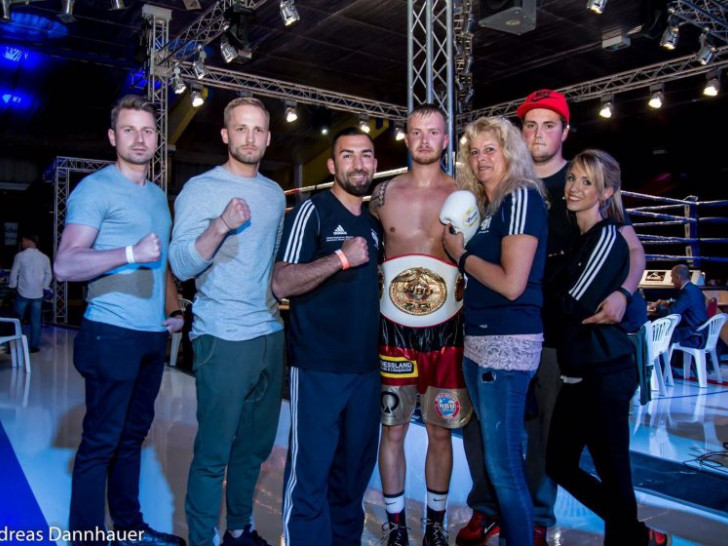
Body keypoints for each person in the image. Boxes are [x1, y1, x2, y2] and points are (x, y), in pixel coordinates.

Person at [457, 89, 646, 546]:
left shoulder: (580, 178)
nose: (539, 133)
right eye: (530, 125)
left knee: (542, 436)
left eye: (549, 124)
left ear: (564, 131)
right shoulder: (497, 189)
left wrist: (623, 291)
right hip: (516, 324)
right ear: (519, 136)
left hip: (557, 333)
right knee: (487, 431)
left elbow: (632, 245)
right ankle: (491, 509)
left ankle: (534, 517)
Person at [53, 95, 185, 546]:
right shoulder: (95, 189)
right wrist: (129, 254)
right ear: (113, 137)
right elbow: (65, 265)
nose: (140, 138)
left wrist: (171, 312)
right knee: (100, 444)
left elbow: (161, 261)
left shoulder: (155, 196)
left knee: (132, 440)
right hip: (110, 333)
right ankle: (86, 538)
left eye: (147, 130)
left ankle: (130, 528)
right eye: (129, 130)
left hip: (149, 337)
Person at [169, 96, 285, 546]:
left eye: (258, 130)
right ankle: (203, 539)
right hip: (222, 334)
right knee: (214, 453)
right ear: (225, 134)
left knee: (255, 450)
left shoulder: (275, 194)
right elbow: (180, 265)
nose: (250, 138)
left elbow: (270, 262)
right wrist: (219, 225)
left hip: (269, 334)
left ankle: (239, 528)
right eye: (241, 129)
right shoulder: (201, 189)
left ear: (268, 137)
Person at [545, 149, 670, 546]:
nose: (575, 188)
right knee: (560, 463)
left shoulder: (604, 236)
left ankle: (629, 536)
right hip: (581, 372)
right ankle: (634, 532)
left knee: (613, 469)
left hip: (605, 373)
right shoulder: (581, 241)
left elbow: (572, 305)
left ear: (606, 192)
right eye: (572, 179)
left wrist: (522, 289)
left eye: (587, 182)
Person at [369, 103, 472, 546]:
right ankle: (396, 527)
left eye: (434, 132)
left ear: (446, 139)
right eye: (417, 132)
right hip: (393, 329)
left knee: (439, 430)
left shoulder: (467, 194)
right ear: (406, 139)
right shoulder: (382, 194)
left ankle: (434, 524)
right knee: (391, 427)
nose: (425, 140)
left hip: (448, 329)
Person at [442, 116, 548, 546]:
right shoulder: (489, 208)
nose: (482, 158)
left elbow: (510, 282)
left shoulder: (520, 196)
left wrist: (461, 256)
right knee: (496, 460)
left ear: (510, 151)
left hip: (505, 344)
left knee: (504, 467)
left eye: (492, 148)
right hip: (481, 343)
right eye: (475, 151)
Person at [274, 128, 382, 545]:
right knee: (311, 475)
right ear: (333, 166)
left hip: (366, 370)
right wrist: (339, 258)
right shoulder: (312, 211)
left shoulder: (372, 225)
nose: (359, 164)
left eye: (367, 155)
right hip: (318, 365)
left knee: (352, 478)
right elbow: (281, 283)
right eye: (348, 156)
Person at [9, 234, 52, 352]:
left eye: (22, 241)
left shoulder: (20, 256)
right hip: (38, 293)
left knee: (16, 320)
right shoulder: (44, 257)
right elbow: (49, 274)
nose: (22, 244)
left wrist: (12, 286)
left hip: (23, 292)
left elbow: (14, 273)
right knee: (36, 321)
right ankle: (34, 346)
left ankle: (14, 346)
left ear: (28, 241)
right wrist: (44, 286)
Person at [654, 264, 708, 347]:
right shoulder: (694, 288)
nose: (672, 281)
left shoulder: (687, 292)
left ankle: (661, 360)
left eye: (672, 277)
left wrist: (657, 307)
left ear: (678, 277)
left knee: (658, 335)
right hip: (701, 332)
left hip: (693, 336)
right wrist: (669, 303)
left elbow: (670, 313)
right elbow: (686, 305)